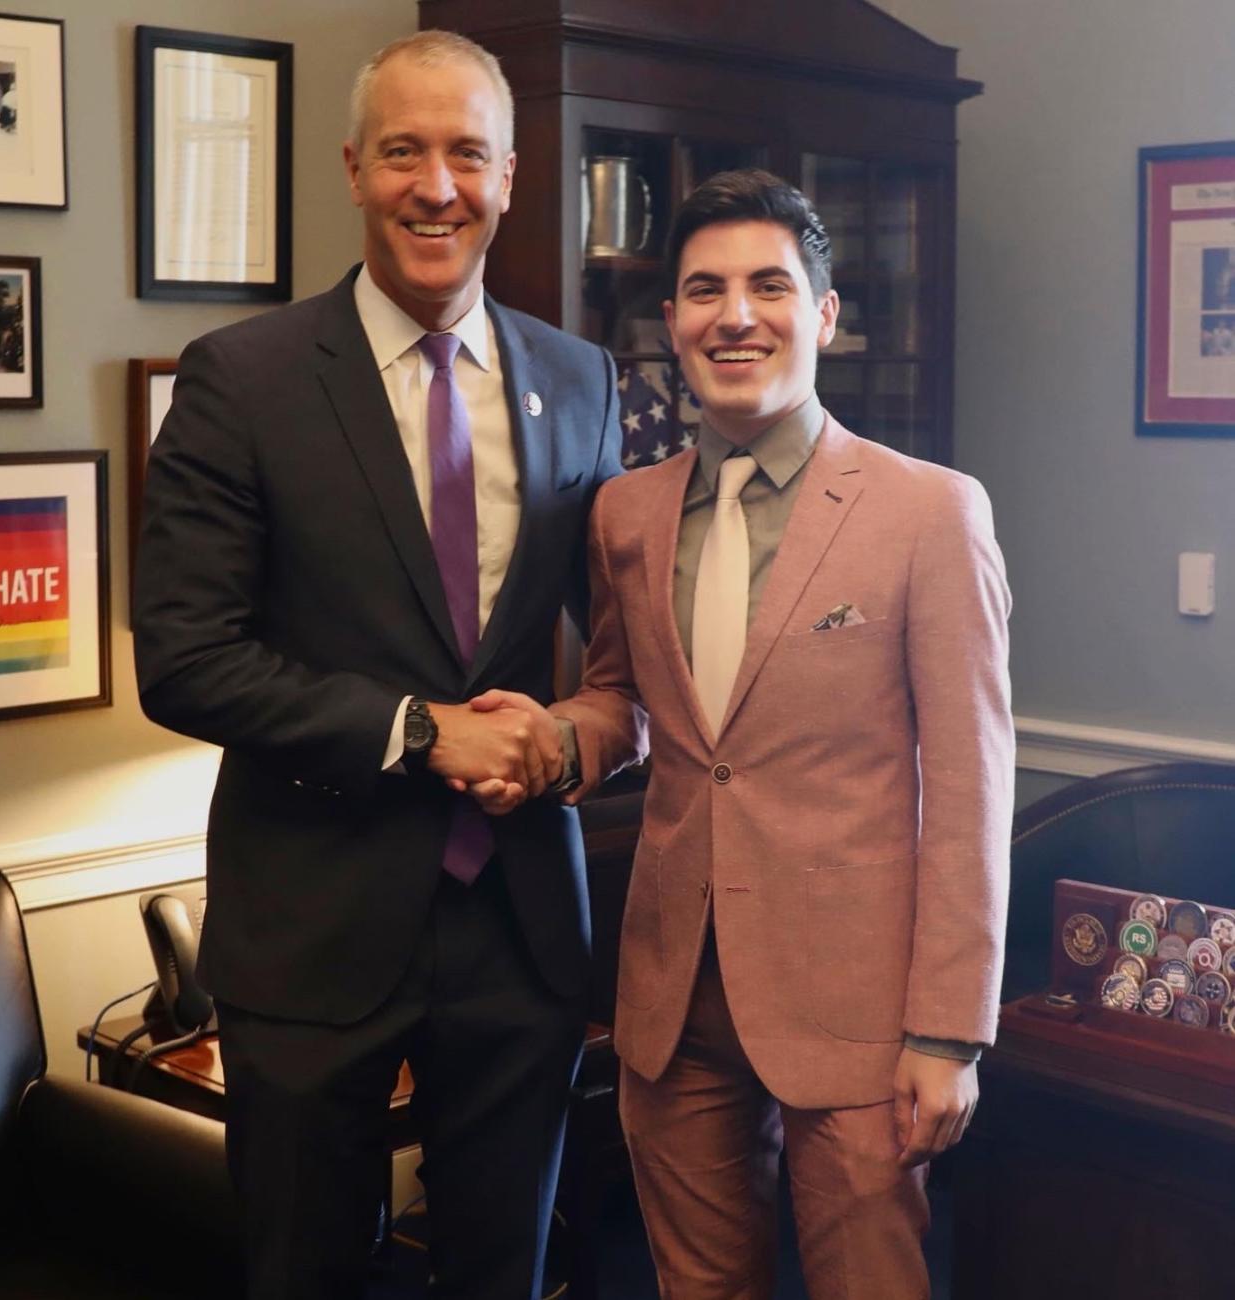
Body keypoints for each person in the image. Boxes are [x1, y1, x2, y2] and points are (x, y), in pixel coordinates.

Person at [132, 30, 632, 1300]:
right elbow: (185, 662)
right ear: (354, 170)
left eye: (466, 152)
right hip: (311, 927)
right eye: (403, 151)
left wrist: (571, 733)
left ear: (512, 176)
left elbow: (629, 643)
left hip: (520, 931)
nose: (436, 185)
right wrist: (420, 729)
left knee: (502, 1274)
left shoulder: (579, 381)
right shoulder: (242, 380)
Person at [494, 169, 1012, 1299]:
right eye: (703, 290)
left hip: (864, 1014)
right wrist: (549, 740)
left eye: (769, 286)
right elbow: (625, 704)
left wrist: (948, 1034)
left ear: (822, 315)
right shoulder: (625, 514)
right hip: (672, 998)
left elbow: (973, 787)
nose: (735, 314)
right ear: (670, 321)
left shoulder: (929, 511)